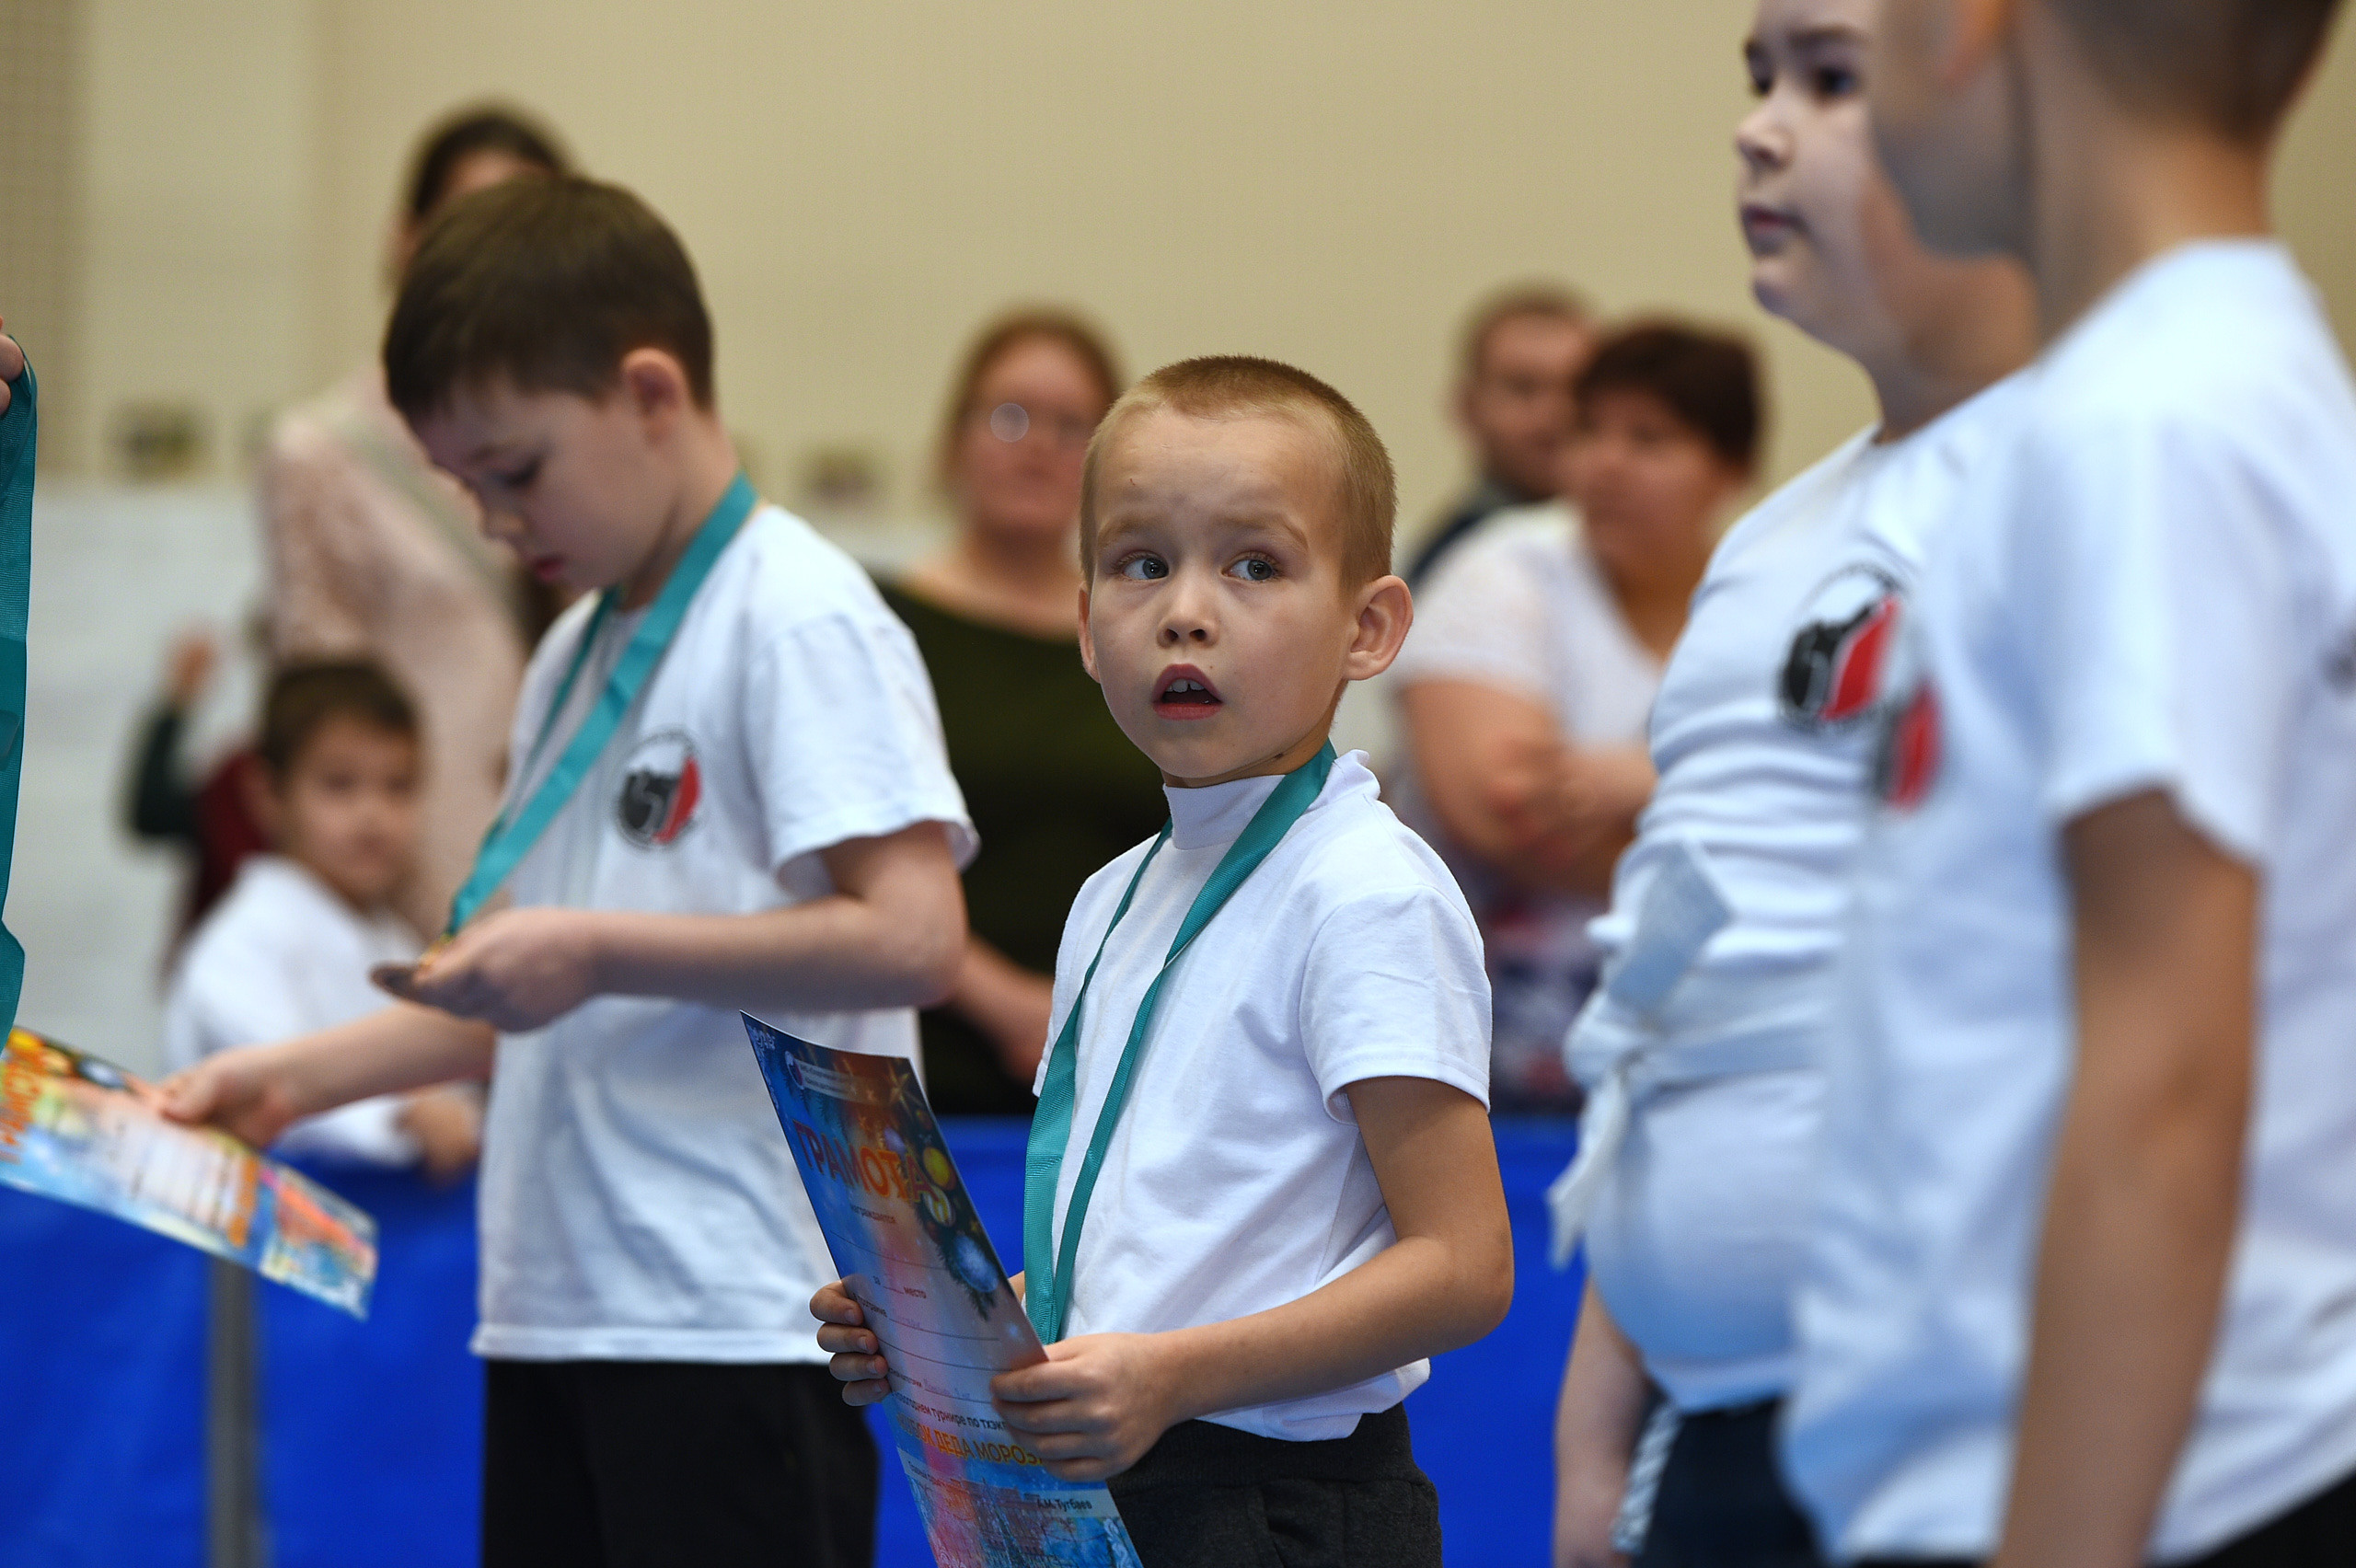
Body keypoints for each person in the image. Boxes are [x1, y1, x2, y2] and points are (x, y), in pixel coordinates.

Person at [163, 177, 975, 1568]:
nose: (491, 521)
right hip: (555, 1306)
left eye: (516, 471)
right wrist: (294, 1080)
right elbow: (524, 991)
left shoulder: (796, 613)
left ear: (650, 393)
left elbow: (914, 937)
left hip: (734, 1317)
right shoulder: (571, 652)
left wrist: (603, 948)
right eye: (465, 485)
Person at [1780, 2, 2356, 1565]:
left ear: (1975, 29)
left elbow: (2169, 1072)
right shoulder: (2200, 397)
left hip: (2144, 1492)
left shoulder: (2148, 428)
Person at [815, 356, 1514, 1567]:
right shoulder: (1116, 895)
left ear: (1368, 627)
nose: (1187, 610)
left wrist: (1170, 1375)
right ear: (1087, 626)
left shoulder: (1366, 891)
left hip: (1278, 1501)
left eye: (1256, 564)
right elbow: (1175, 1241)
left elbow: (1463, 1266)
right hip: (1125, 1476)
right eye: (1142, 563)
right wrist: (963, 1327)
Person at [1544, 2, 2036, 1562]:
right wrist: (1597, 1440)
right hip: (1716, 1426)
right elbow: (1682, 997)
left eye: (1830, 79)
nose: (1760, 127)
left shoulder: (2096, 473)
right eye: (1760, 78)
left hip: (1982, 1419)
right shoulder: (1770, 543)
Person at [1392, 324, 1760, 1111]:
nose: (1606, 464)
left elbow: (1839, 818)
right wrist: (1735, 816)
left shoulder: (1770, 601)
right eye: (1589, 432)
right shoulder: (1501, 570)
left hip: (1709, 1060)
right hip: (1486, 1062)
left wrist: (1642, 778)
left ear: (1731, 469)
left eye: (1650, 440)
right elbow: (1517, 816)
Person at [260, 105, 571, 937]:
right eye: (473, 222)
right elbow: (324, 715)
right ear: (406, 238)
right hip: (418, 882)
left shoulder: (579, 445)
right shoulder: (322, 451)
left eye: (528, 234)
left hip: (566, 860)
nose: (499, 260)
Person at [879, 310, 1167, 1113]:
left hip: (1122, 1064)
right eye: (1009, 417)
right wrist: (1009, 1002)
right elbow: (846, 856)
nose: (1039, 445)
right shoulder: (878, 631)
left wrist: (1094, 1011)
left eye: (1074, 425)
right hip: (929, 1069)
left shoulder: (1155, 635)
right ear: (952, 445)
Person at [164, 661, 480, 1177]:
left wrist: (456, 1114)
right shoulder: (240, 940)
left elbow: (442, 1072)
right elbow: (260, 1085)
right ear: (267, 795)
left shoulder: (391, 934)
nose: (372, 814)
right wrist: (403, 1116)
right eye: (339, 785)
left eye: (397, 786)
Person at [1407, 283, 1595, 586]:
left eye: (1577, 389)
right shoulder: (1450, 566)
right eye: (1523, 387)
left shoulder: (1638, 550)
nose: (1555, 412)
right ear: (1468, 407)